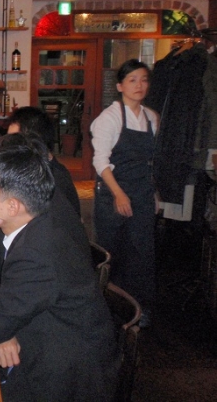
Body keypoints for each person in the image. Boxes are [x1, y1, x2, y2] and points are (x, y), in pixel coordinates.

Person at [0, 143, 118, 401]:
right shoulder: (23, 224)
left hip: (61, 377)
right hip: (37, 338)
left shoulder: (38, 252)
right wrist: (4, 330)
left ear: (12, 206)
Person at [91, 59, 159, 328]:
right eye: (132, 80)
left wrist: (153, 194)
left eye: (143, 80)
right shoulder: (109, 118)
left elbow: (150, 162)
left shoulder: (151, 117)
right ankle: (110, 311)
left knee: (142, 252)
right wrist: (119, 194)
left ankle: (139, 310)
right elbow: (100, 161)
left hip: (141, 192)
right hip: (112, 193)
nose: (139, 85)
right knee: (113, 252)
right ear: (120, 86)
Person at [7, 106, 81, 216]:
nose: (9, 147)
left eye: (15, 140)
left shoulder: (53, 180)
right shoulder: (32, 167)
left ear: (34, 140)